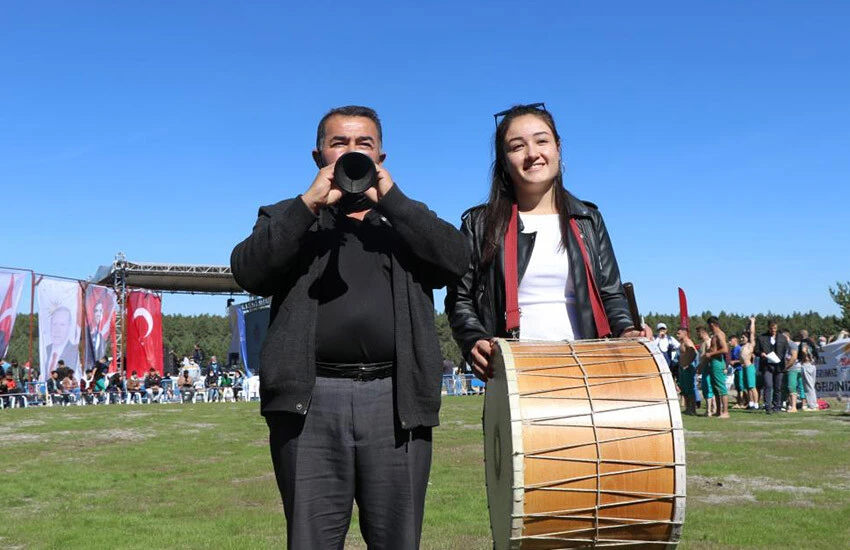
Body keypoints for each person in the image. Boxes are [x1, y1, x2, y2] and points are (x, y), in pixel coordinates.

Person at [230, 104, 468, 549]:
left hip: (395, 402)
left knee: (398, 541)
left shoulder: (404, 220)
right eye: (339, 143)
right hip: (310, 403)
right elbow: (248, 270)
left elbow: (456, 259)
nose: (351, 152)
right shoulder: (288, 215)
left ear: (381, 158)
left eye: (364, 144)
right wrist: (307, 206)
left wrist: (394, 202)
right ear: (319, 156)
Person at [446, 103, 648, 383]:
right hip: (516, 375)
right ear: (503, 160)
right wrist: (474, 340)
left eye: (542, 141)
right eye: (517, 146)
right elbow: (460, 298)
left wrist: (627, 331)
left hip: (588, 369)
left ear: (558, 147)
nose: (532, 154)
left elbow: (611, 293)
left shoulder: (588, 219)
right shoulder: (479, 224)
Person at [755, 319, 790, 414]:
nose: (773, 330)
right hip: (767, 365)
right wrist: (761, 353)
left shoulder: (783, 338)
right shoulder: (761, 338)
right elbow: (756, 350)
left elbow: (786, 351)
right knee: (768, 385)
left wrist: (786, 360)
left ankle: (777, 406)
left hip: (779, 366)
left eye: (775, 328)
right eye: (771, 328)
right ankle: (767, 406)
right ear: (768, 327)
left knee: (778, 387)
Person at [703, 316, 730, 418]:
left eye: (709, 326)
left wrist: (711, 353)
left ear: (713, 325)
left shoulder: (719, 334)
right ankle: (718, 411)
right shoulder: (714, 335)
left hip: (718, 362)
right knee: (715, 388)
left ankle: (726, 412)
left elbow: (725, 349)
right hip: (713, 362)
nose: (709, 328)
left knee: (721, 387)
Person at [44, 306, 80, 377]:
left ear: (69, 327)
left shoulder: (73, 351)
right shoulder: (45, 350)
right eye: (54, 324)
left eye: (62, 325)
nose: (57, 329)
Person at [676, 327, 698, 415]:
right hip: (683, 368)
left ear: (684, 333)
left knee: (690, 390)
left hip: (688, 368)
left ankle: (692, 409)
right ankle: (688, 408)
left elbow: (694, 352)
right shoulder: (682, 343)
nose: (677, 335)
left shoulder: (688, 342)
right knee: (684, 389)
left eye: (679, 333)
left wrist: (687, 363)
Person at [696, 326, 715, 416]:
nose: (697, 335)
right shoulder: (703, 342)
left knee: (708, 388)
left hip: (707, 368)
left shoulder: (708, 342)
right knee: (707, 388)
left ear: (702, 332)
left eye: (698, 333)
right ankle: (713, 408)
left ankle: (709, 411)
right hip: (704, 367)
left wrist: (704, 364)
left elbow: (709, 355)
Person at [739, 317, 759, 410]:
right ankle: (750, 403)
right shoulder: (742, 346)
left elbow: (752, 333)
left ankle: (756, 404)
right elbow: (746, 331)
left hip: (749, 367)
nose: (741, 338)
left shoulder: (750, 345)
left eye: (743, 337)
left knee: (752, 387)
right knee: (747, 387)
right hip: (743, 368)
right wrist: (747, 324)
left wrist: (752, 322)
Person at [799, 342, 818, 411]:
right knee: (811, 386)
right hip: (813, 365)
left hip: (807, 365)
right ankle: (813, 404)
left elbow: (804, 350)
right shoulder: (812, 345)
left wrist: (806, 356)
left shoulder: (804, 344)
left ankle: (812, 405)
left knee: (808, 387)